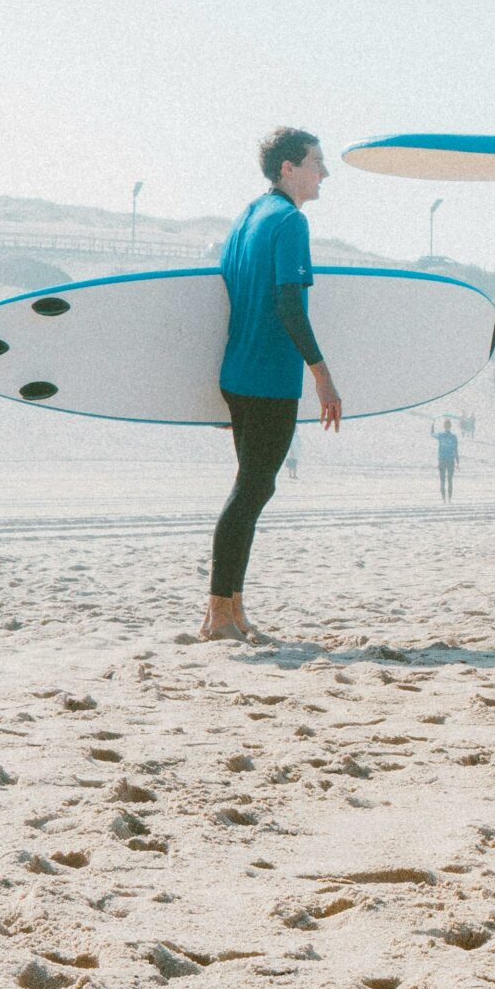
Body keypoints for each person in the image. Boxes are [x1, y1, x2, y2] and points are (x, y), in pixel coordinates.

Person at [203, 127, 342, 644]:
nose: (324, 172)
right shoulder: (290, 221)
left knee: (253, 487)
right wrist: (323, 376)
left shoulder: (247, 218)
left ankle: (232, 609)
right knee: (251, 490)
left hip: (239, 374)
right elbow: (289, 304)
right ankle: (219, 613)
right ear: (289, 168)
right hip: (269, 378)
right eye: (316, 162)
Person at [433, 418, 459, 502]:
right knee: (450, 480)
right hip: (451, 460)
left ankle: (444, 499)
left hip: (442, 460)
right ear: (450, 426)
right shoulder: (454, 437)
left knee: (442, 480)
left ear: (444, 426)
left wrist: (432, 424)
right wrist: (458, 462)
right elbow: (456, 450)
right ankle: (449, 499)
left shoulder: (440, 435)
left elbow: (432, 433)